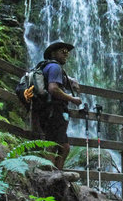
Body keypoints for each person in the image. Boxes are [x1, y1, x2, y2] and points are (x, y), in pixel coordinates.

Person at [37, 41, 82, 169]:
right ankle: (50, 177)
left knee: (64, 147)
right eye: (63, 51)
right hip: (54, 111)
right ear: (53, 53)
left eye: (67, 52)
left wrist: (70, 80)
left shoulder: (47, 67)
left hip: (47, 110)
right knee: (53, 145)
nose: (66, 54)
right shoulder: (55, 67)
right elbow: (53, 89)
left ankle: (56, 176)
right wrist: (72, 99)